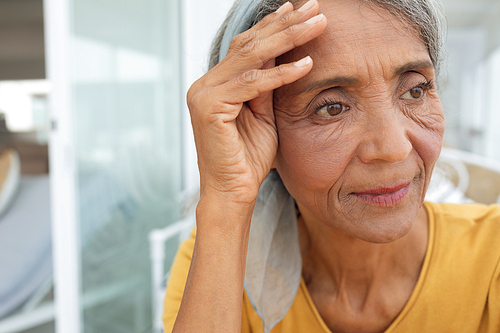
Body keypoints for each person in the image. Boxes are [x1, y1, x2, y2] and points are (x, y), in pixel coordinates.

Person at [163, 0, 500, 332]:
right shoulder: (217, 264)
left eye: (414, 91)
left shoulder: (492, 256)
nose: (395, 148)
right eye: (331, 108)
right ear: (256, 131)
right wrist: (225, 198)